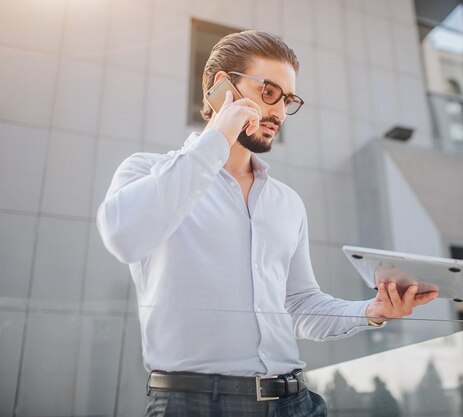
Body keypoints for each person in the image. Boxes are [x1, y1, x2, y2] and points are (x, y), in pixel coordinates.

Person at [97, 30, 438, 417]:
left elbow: (299, 305)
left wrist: (371, 310)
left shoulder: (286, 203)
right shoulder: (147, 171)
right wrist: (218, 137)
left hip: (294, 401)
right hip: (194, 405)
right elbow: (124, 238)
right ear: (221, 87)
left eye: (287, 99)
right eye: (269, 92)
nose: (278, 112)